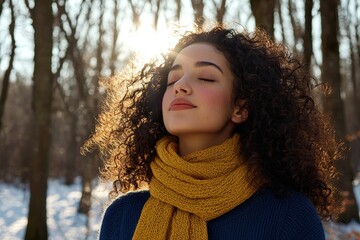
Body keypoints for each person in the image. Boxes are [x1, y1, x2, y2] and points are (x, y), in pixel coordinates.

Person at [84, 26, 340, 240]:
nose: (180, 86)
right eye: (172, 80)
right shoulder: (122, 216)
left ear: (240, 108)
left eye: (205, 77)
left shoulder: (288, 216)